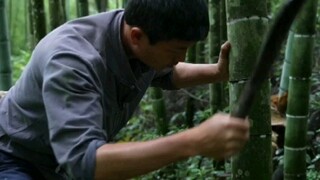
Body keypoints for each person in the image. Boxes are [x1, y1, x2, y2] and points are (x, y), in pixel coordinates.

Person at [0, 0, 250, 179]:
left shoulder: (140, 31)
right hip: (15, 157)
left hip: (59, 163)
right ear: (137, 37)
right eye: (176, 50)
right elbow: (84, 162)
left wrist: (218, 73)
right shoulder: (72, 61)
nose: (179, 57)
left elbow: (168, 72)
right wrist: (193, 141)